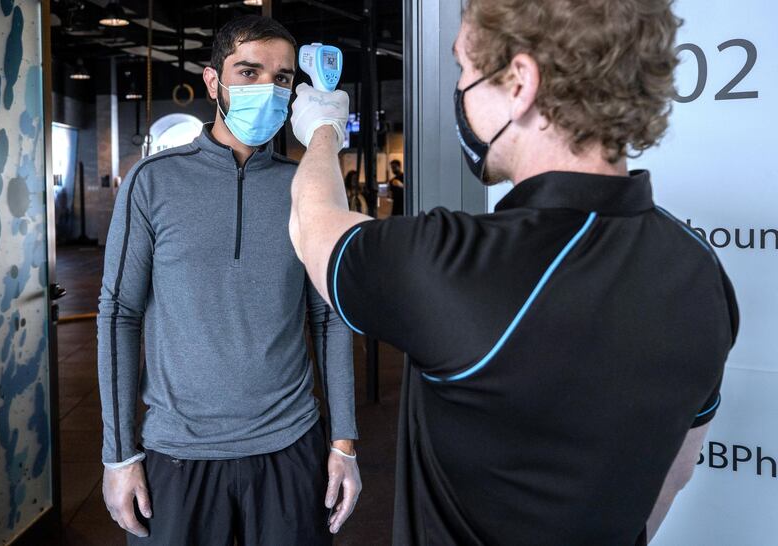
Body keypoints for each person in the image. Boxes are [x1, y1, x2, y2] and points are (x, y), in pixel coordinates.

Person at [288, 1, 738, 544]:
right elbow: (678, 470)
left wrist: (323, 131)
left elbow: (312, 228)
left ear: (520, 83)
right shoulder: (700, 270)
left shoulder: (456, 264)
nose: (460, 92)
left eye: (464, 71)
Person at [97, 16, 360, 546]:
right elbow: (119, 314)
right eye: (248, 71)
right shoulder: (154, 182)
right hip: (177, 453)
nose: (268, 88)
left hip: (290, 446)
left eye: (283, 77)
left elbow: (329, 318)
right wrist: (119, 455)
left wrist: (343, 444)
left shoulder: (305, 186)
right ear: (213, 81)